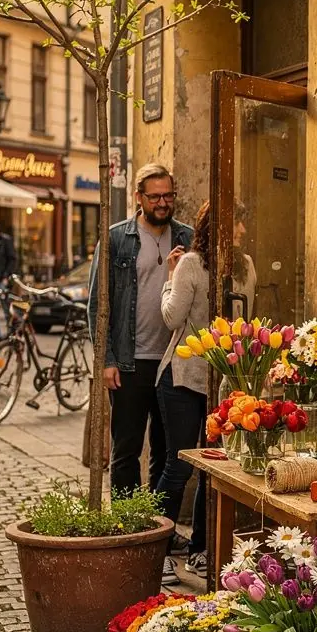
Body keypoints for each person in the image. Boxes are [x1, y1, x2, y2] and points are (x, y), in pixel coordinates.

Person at [88, 164, 193, 572]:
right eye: (155, 197)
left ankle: (158, 534)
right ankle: (130, 531)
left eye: (169, 195)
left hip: (174, 362)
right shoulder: (117, 238)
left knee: (168, 452)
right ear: (139, 197)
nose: (164, 203)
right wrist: (107, 362)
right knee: (127, 450)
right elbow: (99, 304)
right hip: (129, 363)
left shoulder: (185, 235)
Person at [155, 200, 210, 577]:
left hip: (208, 376)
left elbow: (171, 315)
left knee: (207, 469)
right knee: (183, 465)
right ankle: (163, 549)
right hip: (186, 378)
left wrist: (169, 280)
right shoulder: (194, 263)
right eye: (236, 225)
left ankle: (197, 548)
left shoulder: (191, 263)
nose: (241, 232)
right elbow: (176, 319)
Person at [231, 201, 256, 318]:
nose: (243, 230)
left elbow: (244, 319)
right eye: (236, 223)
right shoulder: (193, 263)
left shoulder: (247, 264)